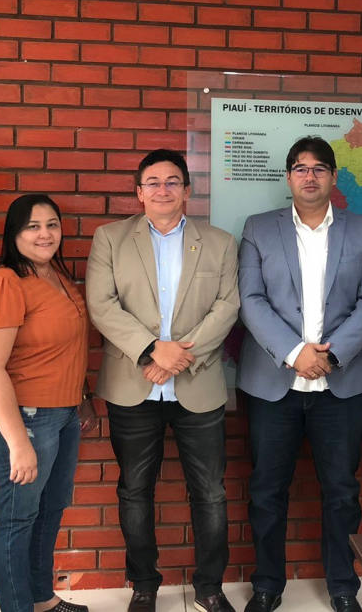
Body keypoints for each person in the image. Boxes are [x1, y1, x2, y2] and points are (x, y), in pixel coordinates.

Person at [86, 150, 240, 612]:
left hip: (198, 383)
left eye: (173, 181)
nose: (163, 190)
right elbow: (102, 305)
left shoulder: (219, 242)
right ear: (139, 192)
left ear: (187, 190)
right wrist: (154, 349)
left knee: (210, 493)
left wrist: (176, 358)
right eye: (152, 182)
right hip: (133, 385)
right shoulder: (110, 238)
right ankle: (143, 585)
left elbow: (228, 306)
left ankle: (210, 587)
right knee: (135, 490)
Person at [237, 136, 362, 612]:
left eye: (319, 168)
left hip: (340, 385)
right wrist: (294, 352)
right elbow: (250, 299)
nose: (309, 176)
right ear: (288, 177)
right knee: (266, 491)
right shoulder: (259, 228)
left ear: (333, 177)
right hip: (274, 383)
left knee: (342, 492)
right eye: (300, 168)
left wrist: (330, 356)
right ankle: (267, 585)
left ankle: (343, 588)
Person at [0, 194, 98, 612]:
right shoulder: (4, 283)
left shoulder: (57, 275)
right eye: (33, 226)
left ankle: (42, 599)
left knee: (50, 509)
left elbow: (65, 348)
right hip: (23, 417)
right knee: (18, 517)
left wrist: (83, 398)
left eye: (52, 224)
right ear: (14, 233)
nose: (45, 234)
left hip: (63, 413)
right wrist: (17, 442)